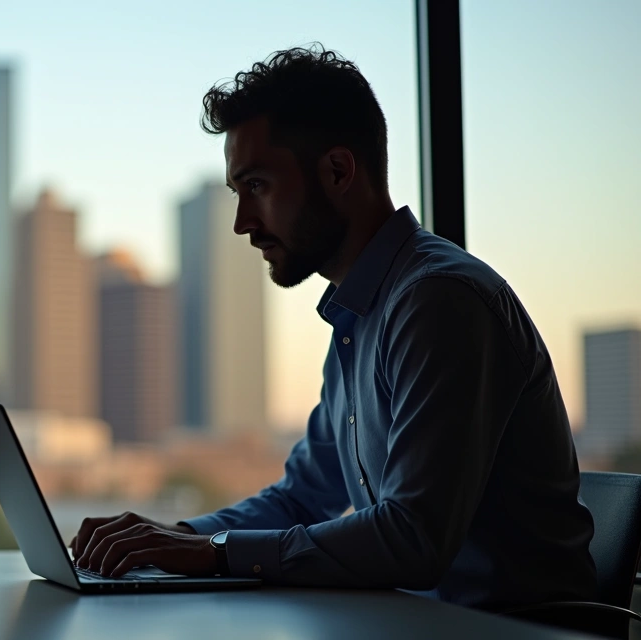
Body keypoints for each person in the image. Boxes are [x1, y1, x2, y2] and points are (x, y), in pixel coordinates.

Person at [72, 45, 596, 609]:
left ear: (339, 171)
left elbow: (412, 538)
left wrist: (216, 552)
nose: (242, 223)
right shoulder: (357, 312)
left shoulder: (440, 301)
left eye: (257, 187)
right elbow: (302, 496)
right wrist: (180, 537)